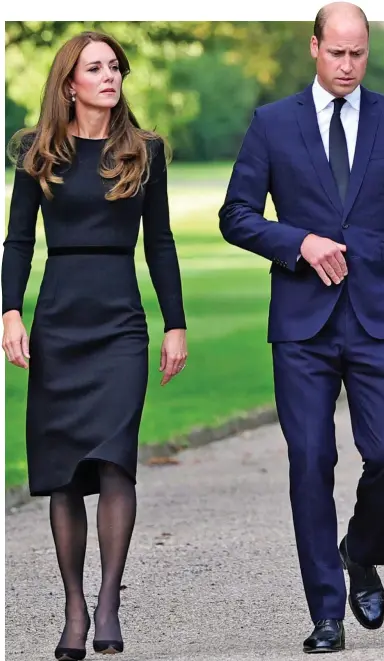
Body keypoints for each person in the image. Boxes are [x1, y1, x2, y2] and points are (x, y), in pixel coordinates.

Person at [219, 3, 384, 654]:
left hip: (378, 316)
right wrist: (298, 242)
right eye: (337, 52)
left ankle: (360, 546)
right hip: (301, 322)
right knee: (311, 459)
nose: (348, 65)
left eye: (359, 53)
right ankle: (326, 613)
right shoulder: (272, 124)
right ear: (315, 48)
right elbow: (237, 214)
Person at [2, 31, 187, 660]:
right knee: (63, 472)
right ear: (69, 82)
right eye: (95, 68)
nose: (109, 77)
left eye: (115, 67)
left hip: (120, 325)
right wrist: (9, 313)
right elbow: (18, 243)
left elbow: (159, 243)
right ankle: (73, 608)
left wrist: (176, 323)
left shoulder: (145, 151)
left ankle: (107, 602)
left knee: (115, 458)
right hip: (59, 321)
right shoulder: (35, 151)